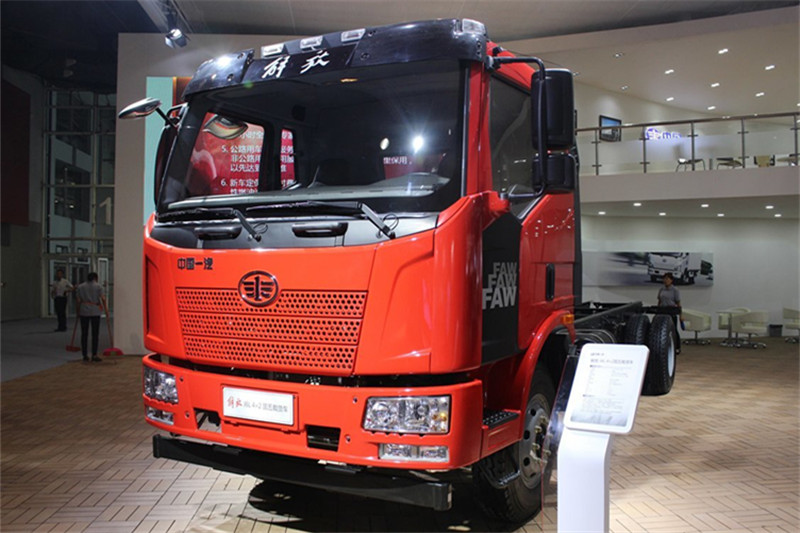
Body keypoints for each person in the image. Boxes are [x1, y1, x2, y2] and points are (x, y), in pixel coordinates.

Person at [75, 272, 106, 362]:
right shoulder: (98, 286)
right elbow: (103, 298)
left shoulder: (80, 287)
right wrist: (106, 309)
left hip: (84, 311)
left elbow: (78, 300)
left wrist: (78, 311)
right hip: (95, 311)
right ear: (95, 278)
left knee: (84, 333)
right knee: (95, 334)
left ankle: (84, 355)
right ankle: (94, 354)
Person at [657, 273, 683, 346]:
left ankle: (677, 346)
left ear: (671, 280)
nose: (665, 280)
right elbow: (659, 301)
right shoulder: (661, 289)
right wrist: (657, 310)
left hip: (671, 311)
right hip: (662, 310)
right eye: (664, 279)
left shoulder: (675, 290)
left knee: (673, 329)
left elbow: (678, 303)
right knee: (662, 329)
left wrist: (681, 315)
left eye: (667, 279)